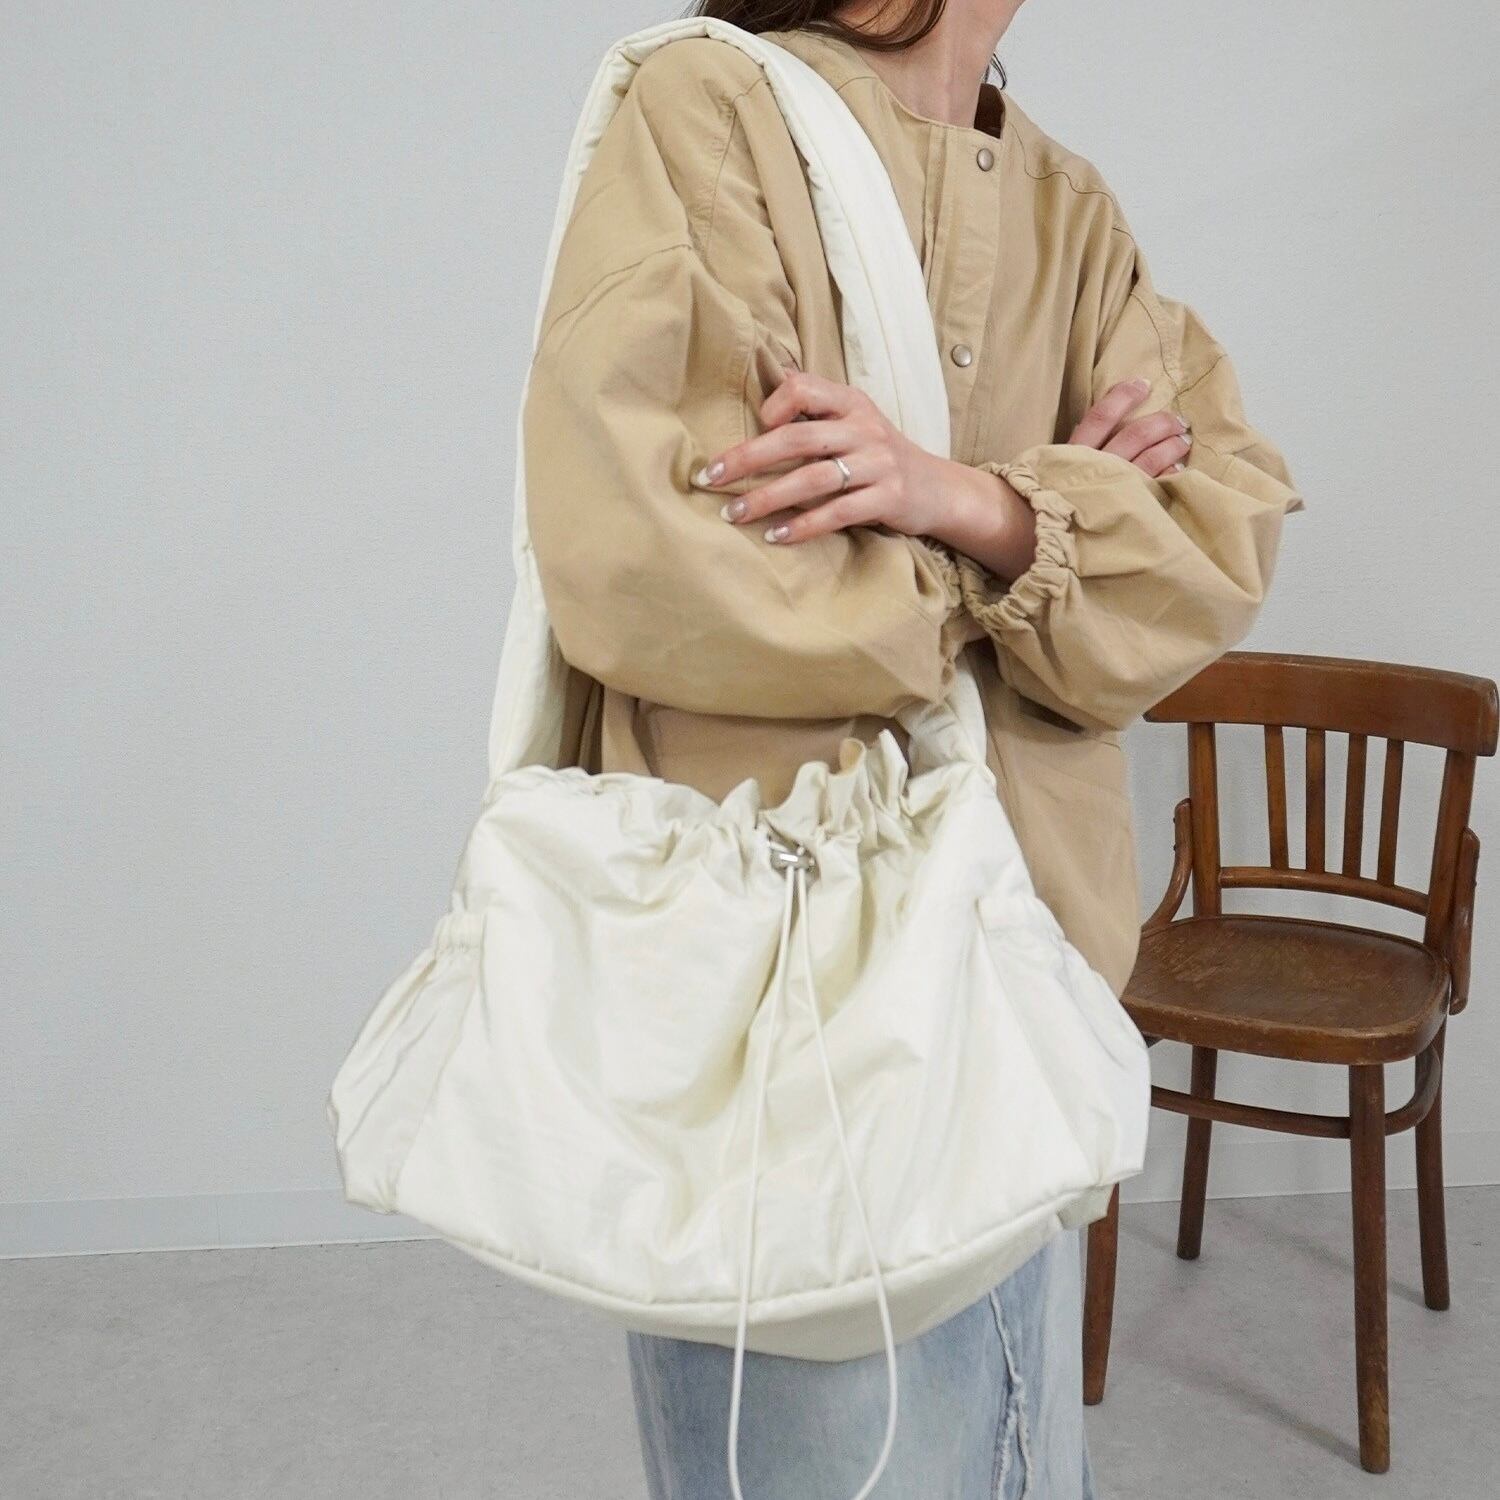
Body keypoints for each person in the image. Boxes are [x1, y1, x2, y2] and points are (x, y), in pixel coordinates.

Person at [521, 1, 1304, 1494]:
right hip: (780, 1013)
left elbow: (1216, 542)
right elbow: (665, 557)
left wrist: (966, 500)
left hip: (1033, 978)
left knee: (1017, 1456)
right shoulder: (707, 111)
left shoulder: (1069, 210)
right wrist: (1037, 546)